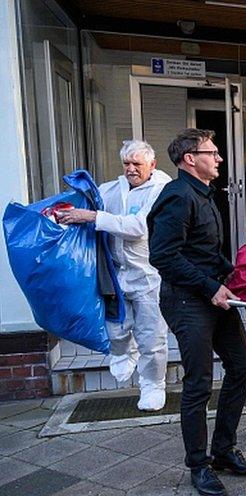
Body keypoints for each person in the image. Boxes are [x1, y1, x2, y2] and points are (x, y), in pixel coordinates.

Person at [148, 128, 246, 496]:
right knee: (199, 383)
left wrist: (234, 274)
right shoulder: (178, 197)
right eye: (211, 152)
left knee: (243, 366)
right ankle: (199, 465)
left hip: (214, 292)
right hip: (188, 300)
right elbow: (163, 256)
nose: (219, 158)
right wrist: (211, 287)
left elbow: (203, 250)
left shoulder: (204, 194)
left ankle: (224, 451)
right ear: (189, 159)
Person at [59, 140, 171, 411]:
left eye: (137, 164)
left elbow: (138, 228)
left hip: (148, 275)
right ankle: (123, 351)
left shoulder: (162, 189)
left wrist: (92, 216)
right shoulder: (112, 189)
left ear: (152, 165)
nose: (131, 169)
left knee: (151, 335)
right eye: (127, 164)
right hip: (114, 273)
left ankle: (153, 386)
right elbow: (83, 205)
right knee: (116, 326)